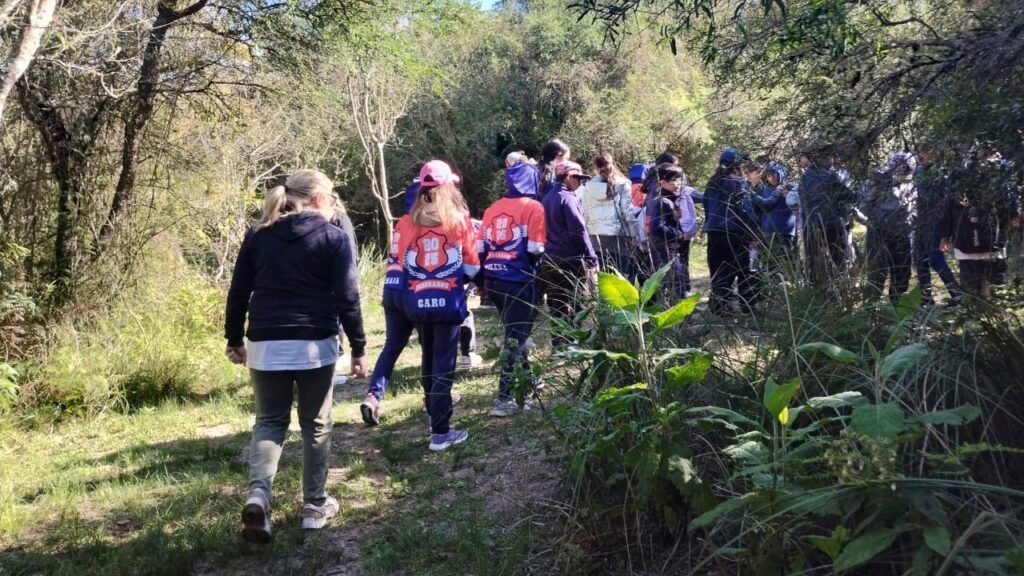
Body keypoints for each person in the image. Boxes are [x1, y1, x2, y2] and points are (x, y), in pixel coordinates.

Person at [225, 170, 365, 542]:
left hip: (266, 342)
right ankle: (315, 506)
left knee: (270, 421)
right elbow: (348, 298)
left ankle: (259, 495)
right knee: (315, 424)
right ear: (318, 198)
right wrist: (359, 348)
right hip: (314, 343)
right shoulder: (333, 237)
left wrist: (234, 338)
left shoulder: (259, 235)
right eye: (332, 194)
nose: (335, 201)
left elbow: (238, 291)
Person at [401, 160, 480, 451]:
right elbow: (472, 266)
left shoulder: (409, 221)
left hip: (418, 299)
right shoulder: (458, 220)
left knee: (428, 355)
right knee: (444, 363)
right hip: (448, 299)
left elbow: (401, 260)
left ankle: (431, 409)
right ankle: (441, 431)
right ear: (448, 186)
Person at [480, 159, 546, 417]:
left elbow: (481, 248)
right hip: (518, 278)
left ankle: (530, 381)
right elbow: (535, 248)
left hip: (493, 280)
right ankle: (504, 398)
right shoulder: (534, 207)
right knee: (515, 340)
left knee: (514, 334)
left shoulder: (491, 209)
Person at [541, 161, 598, 347]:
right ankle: (570, 342)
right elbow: (579, 231)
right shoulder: (568, 199)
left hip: (549, 258)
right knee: (576, 301)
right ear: (567, 177)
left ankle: (559, 343)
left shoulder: (547, 197)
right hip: (569, 259)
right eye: (578, 178)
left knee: (556, 303)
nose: (580, 183)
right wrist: (591, 257)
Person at [702, 148, 760, 315]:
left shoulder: (711, 183)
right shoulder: (738, 183)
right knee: (743, 270)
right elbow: (746, 209)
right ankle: (747, 306)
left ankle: (719, 307)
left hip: (714, 233)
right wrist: (754, 230)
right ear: (738, 165)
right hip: (735, 234)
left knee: (718, 270)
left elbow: (706, 205)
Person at [798, 142, 858, 288]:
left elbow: (803, 203)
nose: (832, 160)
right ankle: (841, 292)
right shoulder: (830, 176)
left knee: (813, 261)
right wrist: (861, 193)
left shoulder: (804, 178)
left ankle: (816, 293)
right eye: (829, 157)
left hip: (810, 226)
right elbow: (849, 196)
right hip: (831, 224)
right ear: (821, 158)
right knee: (839, 260)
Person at [862, 155, 916, 303]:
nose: (904, 176)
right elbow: (864, 204)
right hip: (880, 234)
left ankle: (897, 307)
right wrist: (881, 220)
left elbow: (912, 203)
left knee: (902, 272)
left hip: (902, 234)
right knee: (877, 274)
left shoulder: (909, 182)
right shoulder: (878, 181)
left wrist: (912, 220)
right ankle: (872, 309)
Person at [913, 146, 962, 305]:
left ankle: (957, 294)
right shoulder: (917, 171)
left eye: (924, 151)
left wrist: (945, 229)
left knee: (935, 259)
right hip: (920, 221)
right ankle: (926, 297)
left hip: (935, 222)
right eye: (919, 152)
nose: (921, 155)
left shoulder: (941, 173)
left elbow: (946, 201)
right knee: (919, 259)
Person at [329, 196, 368, 379]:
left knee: (339, 317)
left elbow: (349, 247)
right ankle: (336, 358)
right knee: (336, 318)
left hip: (341, 274)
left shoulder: (340, 218)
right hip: (333, 276)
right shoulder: (334, 220)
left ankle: (338, 356)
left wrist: (351, 275)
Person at [582, 152, 639, 275]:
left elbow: (585, 212)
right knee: (621, 274)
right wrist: (634, 233)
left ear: (595, 168)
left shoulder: (588, 186)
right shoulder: (623, 184)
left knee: (602, 275)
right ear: (612, 163)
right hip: (618, 236)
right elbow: (627, 212)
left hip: (595, 235)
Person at [645, 163, 695, 299]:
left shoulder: (664, 200)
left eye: (679, 179)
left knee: (671, 287)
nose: (678, 183)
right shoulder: (664, 202)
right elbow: (657, 227)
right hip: (666, 252)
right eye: (673, 180)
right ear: (662, 182)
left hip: (663, 251)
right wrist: (679, 234)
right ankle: (679, 318)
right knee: (676, 286)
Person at [751, 162, 798, 282]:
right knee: (769, 264)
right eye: (769, 175)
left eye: (774, 175)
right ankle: (772, 291)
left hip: (786, 233)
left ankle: (789, 290)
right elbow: (759, 212)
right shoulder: (763, 190)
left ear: (780, 174)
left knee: (787, 263)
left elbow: (799, 205)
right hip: (767, 234)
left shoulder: (790, 188)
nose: (771, 178)